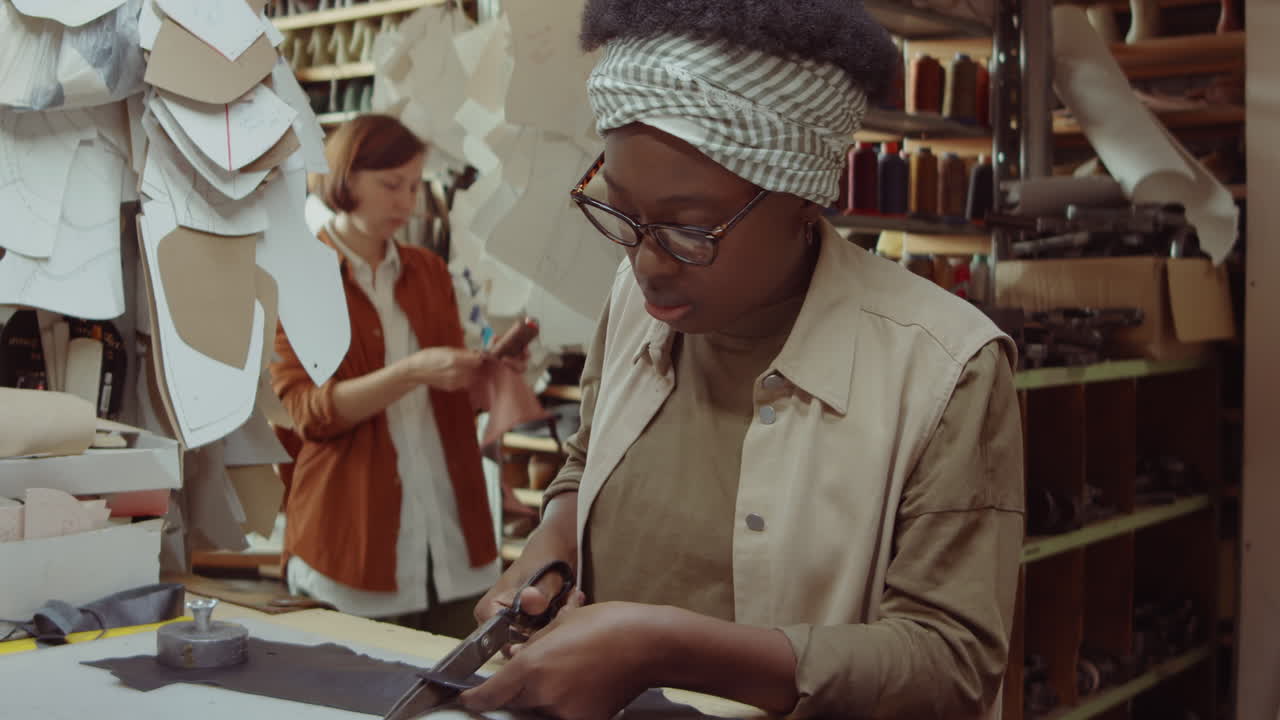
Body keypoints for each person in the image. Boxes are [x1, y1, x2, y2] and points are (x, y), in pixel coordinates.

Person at [463, 2, 1025, 719]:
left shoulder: (946, 369)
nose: (646, 262)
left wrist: (666, 648)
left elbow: (951, 665)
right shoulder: (635, 303)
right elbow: (586, 460)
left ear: (803, 202)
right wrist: (548, 549)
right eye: (623, 214)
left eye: (690, 229)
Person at [270, 115, 513, 636]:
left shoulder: (429, 272)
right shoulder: (300, 277)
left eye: (413, 185)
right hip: (351, 547)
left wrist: (486, 376)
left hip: (454, 542)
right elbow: (309, 415)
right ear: (345, 177)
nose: (407, 202)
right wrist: (413, 371)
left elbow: (454, 405)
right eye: (390, 185)